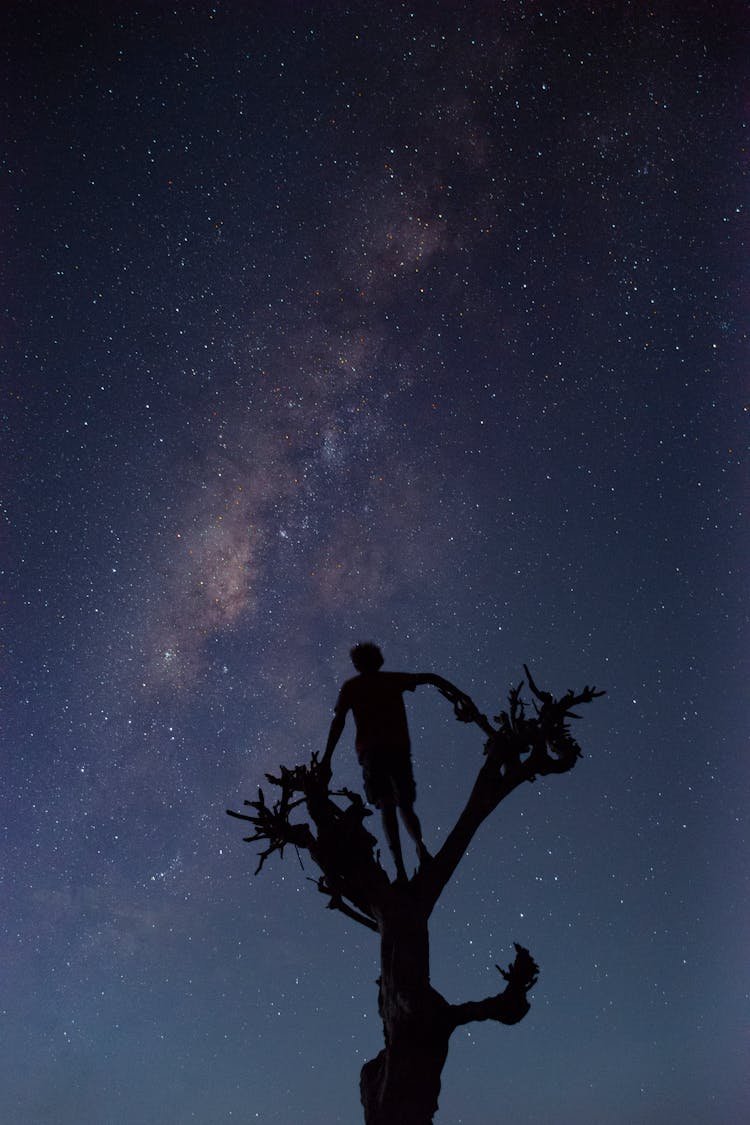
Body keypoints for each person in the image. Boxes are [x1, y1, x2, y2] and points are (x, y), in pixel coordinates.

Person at [322, 642, 468, 882]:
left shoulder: (354, 686)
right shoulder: (390, 680)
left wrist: (327, 757)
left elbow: (339, 722)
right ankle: (419, 850)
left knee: (388, 807)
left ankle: (402, 866)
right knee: (402, 806)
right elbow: (430, 678)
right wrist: (459, 694)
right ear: (378, 659)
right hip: (394, 750)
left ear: (357, 664)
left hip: (373, 753)